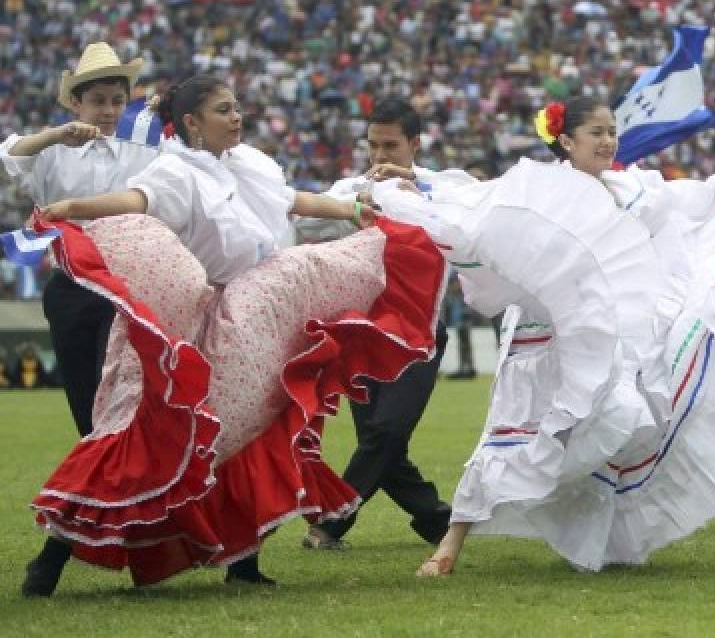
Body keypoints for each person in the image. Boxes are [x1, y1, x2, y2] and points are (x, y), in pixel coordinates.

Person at [20, 75, 446, 596]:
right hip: (191, 326)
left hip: (248, 317)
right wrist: (71, 209)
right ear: (193, 123)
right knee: (141, 434)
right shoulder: (177, 171)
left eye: (236, 107)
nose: (237, 116)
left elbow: (291, 200)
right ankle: (52, 557)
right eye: (224, 109)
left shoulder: (246, 165)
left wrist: (353, 210)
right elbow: (135, 199)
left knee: (257, 431)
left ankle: (243, 563)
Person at [377, 96, 715, 576]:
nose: (608, 142)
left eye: (612, 132)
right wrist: (417, 183)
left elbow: (690, 198)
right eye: (597, 133)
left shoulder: (631, 188)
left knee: (619, 418)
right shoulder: (539, 188)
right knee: (509, 426)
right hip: (540, 336)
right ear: (567, 141)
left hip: (607, 340)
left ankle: (603, 539)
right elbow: (476, 200)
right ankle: (448, 548)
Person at [296, 101, 473, 551]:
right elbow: (305, 223)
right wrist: (354, 206)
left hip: (421, 332)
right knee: (381, 439)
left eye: (390, 145)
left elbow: (478, 206)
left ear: (415, 144)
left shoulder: (440, 187)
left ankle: (331, 523)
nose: (379, 155)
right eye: (372, 144)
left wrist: (418, 195)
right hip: (363, 332)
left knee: (388, 433)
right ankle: (436, 520)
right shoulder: (352, 188)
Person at [0, 42, 158, 435]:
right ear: (76, 102)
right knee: (82, 391)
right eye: (98, 101)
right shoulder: (53, 150)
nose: (108, 111)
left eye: (117, 101)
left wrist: (164, 115)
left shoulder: (142, 149)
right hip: (71, 283)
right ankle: (98, 472)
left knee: (122, 387)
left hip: (126, 282)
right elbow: (8, 156)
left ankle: (124, 472)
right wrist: (57, 135)